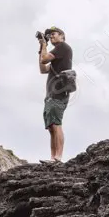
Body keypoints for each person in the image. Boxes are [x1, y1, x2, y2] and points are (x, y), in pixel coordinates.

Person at [38, 27, 73, 163]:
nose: (51, 36)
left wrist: (44, 46)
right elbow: (42, 69)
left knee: (56, 124)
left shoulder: (62, 47)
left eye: (53, 34)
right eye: (49, 35)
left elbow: (45, 59)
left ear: (62, 36)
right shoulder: (58, 53)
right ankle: (53, 158)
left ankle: (58, 157)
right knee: (52, 126)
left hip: (59, 93)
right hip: (51, 95)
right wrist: (42, 47)